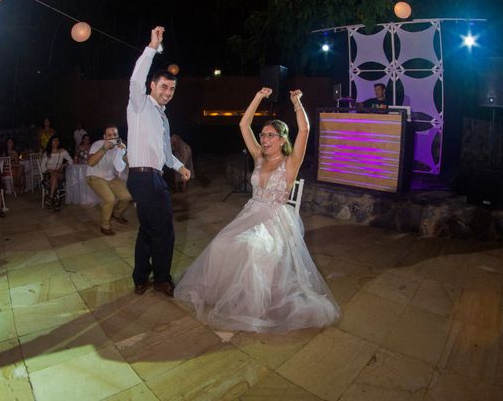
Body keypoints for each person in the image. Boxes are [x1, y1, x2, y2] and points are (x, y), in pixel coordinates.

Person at [174, 88, 341, 333]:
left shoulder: (291, 162)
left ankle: (255, 305)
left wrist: (297, 103)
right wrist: (258, 97)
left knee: (253, 247)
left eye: (271, 135)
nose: (264, 139)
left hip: (274, 220)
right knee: (221, 243)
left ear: (283, 139)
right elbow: (244, 124)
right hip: (250, 213)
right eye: (263, 135)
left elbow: (304, 130)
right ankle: (225, 291)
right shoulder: (258, 157)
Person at [126, 26, 190, 297]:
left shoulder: (162, 117)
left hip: (152, 176)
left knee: (148, 229)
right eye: (163, 86)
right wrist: (152, 47)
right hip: (143, 177)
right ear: (152, 86)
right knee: (164, 231)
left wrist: (179, 166)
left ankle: (141, 278)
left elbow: (164, 153)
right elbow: (135, 79)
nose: (168, 91)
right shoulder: (139, 105)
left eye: (172, 88)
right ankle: (161, 279)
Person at [86, 126, 131, 236]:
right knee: (109, 199)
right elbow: (90, 162)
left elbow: (130, 163)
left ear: (118, 136)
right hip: (94, 176)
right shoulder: (98, 144)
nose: (112, 137)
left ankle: (116, 214)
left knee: (127, 196)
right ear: (104, 137)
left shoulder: (118, 147)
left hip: (110, 176)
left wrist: (125, 151)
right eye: (109, 135)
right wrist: (104, 149)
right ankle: (104, 226)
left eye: (115, 134)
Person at [40, 134, 73, 211]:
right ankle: (55, 202)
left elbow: (71, 161)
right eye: (54, 141)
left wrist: (63, 165)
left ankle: (50, 197)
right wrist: (49, 170)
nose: (56, 142)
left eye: (57, 140)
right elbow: (42, 168)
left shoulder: (63, 151)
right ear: (50, 142)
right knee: (54, 177)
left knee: (55, 175)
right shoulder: (47, 153)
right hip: (48, 175)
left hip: (59, 174)